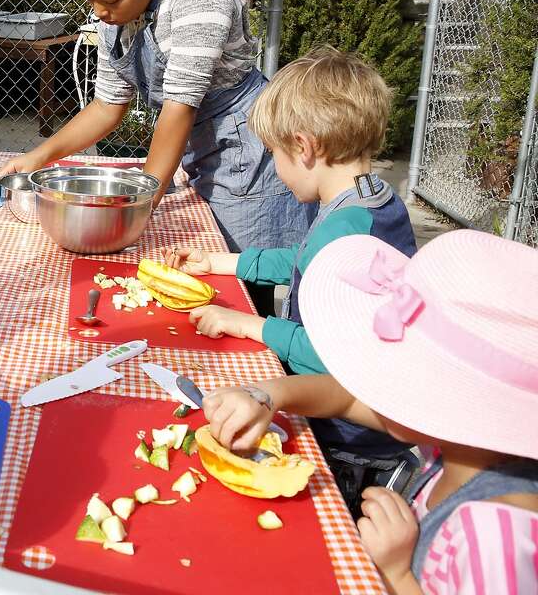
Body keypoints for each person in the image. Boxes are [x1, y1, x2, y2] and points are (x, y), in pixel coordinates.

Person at [0, 0, 310, 313]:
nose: (101, 12)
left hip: (247, 153)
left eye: (110, 0)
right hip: (198, 149)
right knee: (201, 274)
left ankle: (281, 361)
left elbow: (179, 106)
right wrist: (41, 155)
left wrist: (137, 206)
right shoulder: (118, 22)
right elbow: (108, 104)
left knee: (243, 281)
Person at [202, 230, 538, 595]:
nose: (375, 380)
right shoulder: (457, 441)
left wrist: (397, 573)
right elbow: (346, 399)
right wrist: (267, 394)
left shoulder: (497, 534)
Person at [162, 48, 419, 510]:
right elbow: (303, 259)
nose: (276, 169)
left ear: (303, 147)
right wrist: (223, 263)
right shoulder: (373, 201)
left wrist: (249, 325)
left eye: (275, 153)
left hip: (348, 443)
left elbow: (328, 356)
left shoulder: (344, 237)